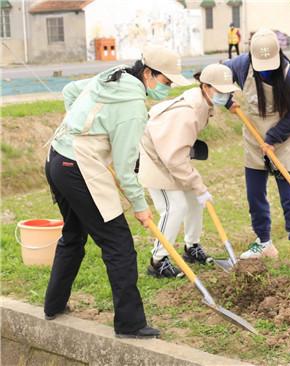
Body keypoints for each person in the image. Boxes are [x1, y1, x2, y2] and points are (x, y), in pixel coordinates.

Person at [43, 46, 187, 338]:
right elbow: (124, 169)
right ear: (148, 73)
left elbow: (71, 91)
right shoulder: (133, 107)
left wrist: (81, 127)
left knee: (73, 234)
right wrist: (140, 205)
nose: (167, 88)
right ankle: (130, 324)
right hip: (78, 167)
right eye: (165, 82)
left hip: (57, 158)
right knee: (118, 243)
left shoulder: (115, 75)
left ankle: (53, 305)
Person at [139, 64, 239, 278]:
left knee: (195, 200)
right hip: (154, 156)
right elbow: (173, 158)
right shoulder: (189, 112)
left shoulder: (204, 101)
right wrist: (198, 185)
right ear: (205, 86)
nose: (225, 95)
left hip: (170, 154)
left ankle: (191, 247)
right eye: (220, 91)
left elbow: (177, 151)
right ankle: (158, 261)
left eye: (227, 92)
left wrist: (198, 189)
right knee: (174, 207)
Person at [224, 28, 290, 269]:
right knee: (255, 194)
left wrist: (273, 138)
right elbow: (215, 75)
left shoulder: (289, 76)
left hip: (284, 137)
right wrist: (226, 98)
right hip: (253, 136)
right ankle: (264, 242)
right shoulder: (241, 65)